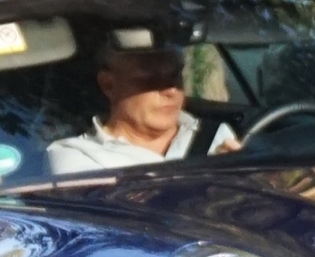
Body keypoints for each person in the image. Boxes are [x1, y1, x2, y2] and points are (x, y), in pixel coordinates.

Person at [45, 31, 237, 174]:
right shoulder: (74, 155)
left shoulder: (216, 135)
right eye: (150, 80)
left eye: (175, 76)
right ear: (108, 85)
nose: (170, 90)